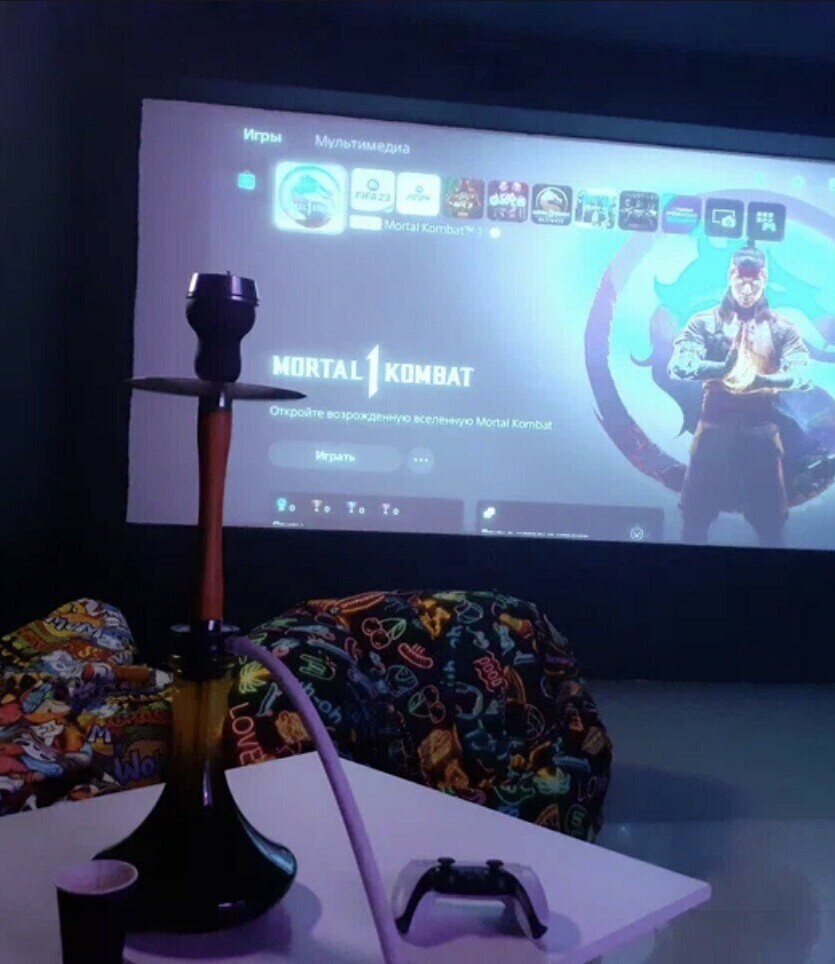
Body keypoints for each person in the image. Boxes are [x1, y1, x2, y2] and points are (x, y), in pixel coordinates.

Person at [668, 243, 810, 546]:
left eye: (754, 282)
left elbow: (801, 374)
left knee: (771, 525)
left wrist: (761, 380)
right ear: (731, 275)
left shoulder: (781, 328)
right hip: (713, 432)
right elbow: (679, 364)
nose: (747, 289)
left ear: (764, 278)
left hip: (761, 434)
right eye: (741, 280)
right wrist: (720, 368)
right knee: (694, 520)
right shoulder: (705, 322)